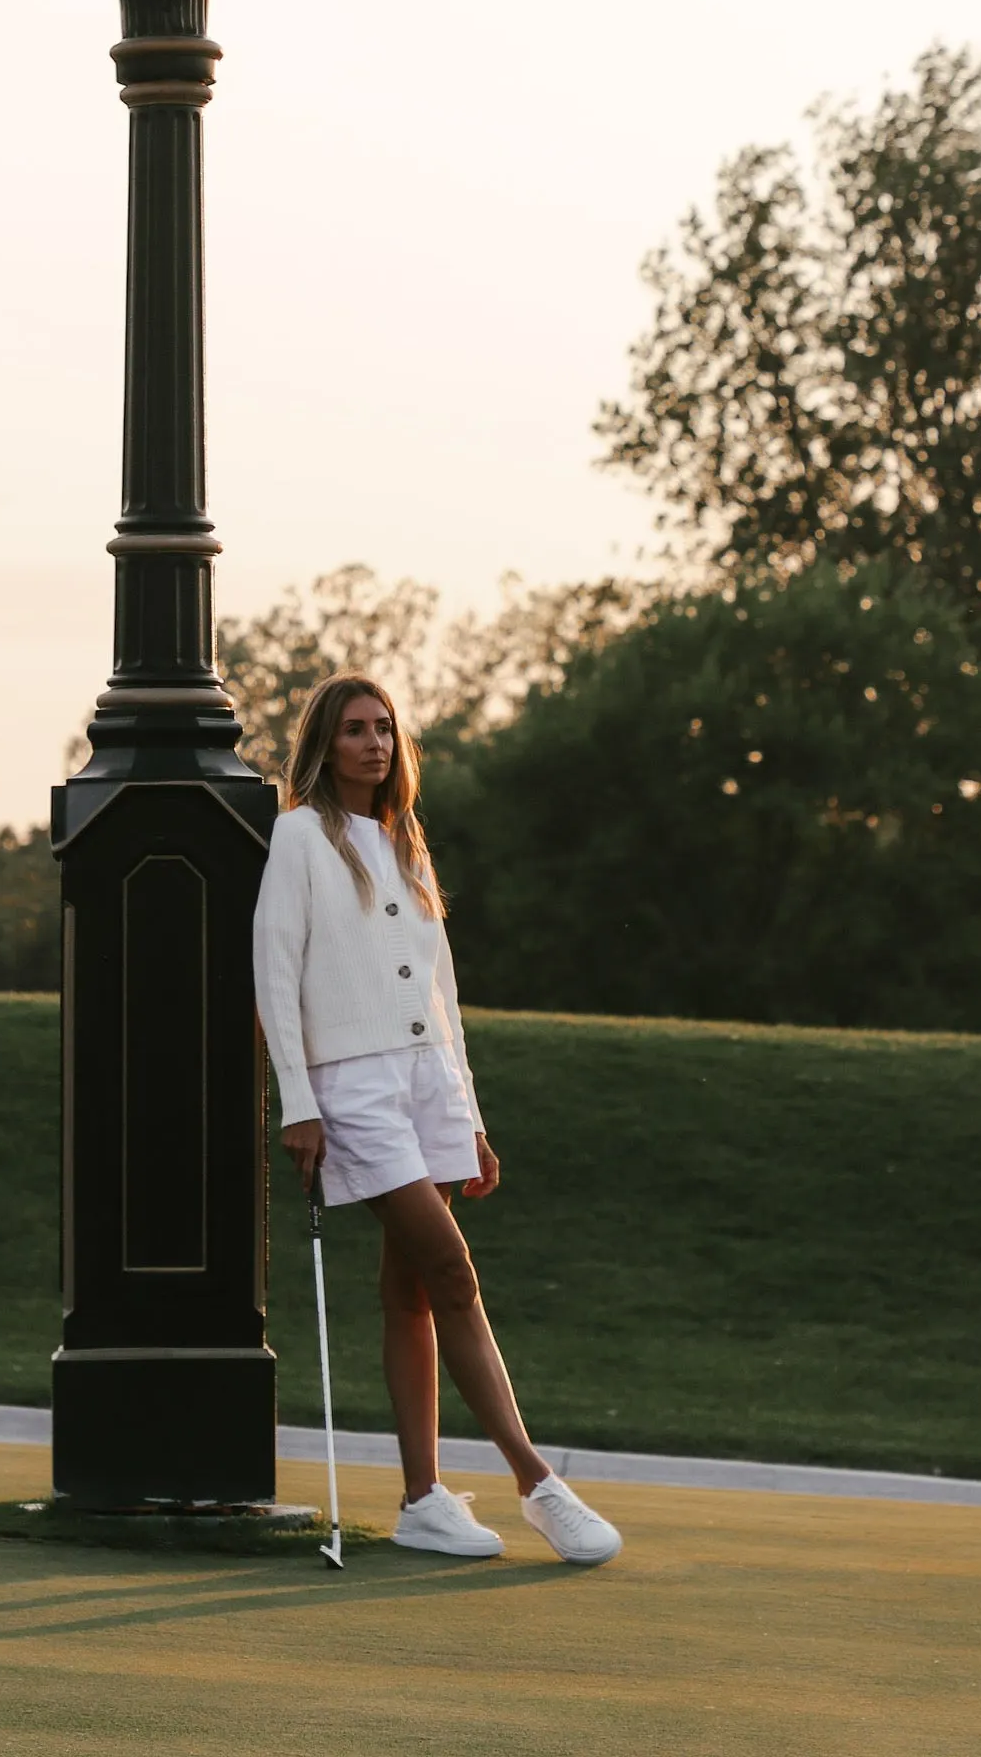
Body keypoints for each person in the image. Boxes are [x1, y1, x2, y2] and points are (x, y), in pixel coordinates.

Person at [251, 670, 622, 1565]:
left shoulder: (406, 842)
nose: (374, 743)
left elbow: (442, 992)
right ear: (322, 745)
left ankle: (422, 1500)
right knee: (452, 1272)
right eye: (353, 730)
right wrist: (298, 1104)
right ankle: (536, 1479)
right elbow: (275, 972)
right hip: (352, 1085)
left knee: (411, 1288)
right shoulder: (299, 837)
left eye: (384, 728)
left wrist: (471, 1116)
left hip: (428, 1084)